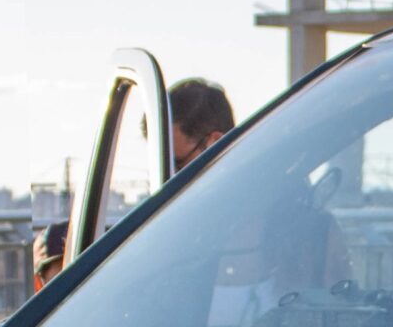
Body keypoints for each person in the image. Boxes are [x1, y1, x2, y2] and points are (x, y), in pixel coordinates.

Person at [31, 78, 238, 292]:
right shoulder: (183, 223)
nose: (169, 180)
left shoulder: (241, 227)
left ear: (214, 144)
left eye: (176, 164)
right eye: (162, 167)